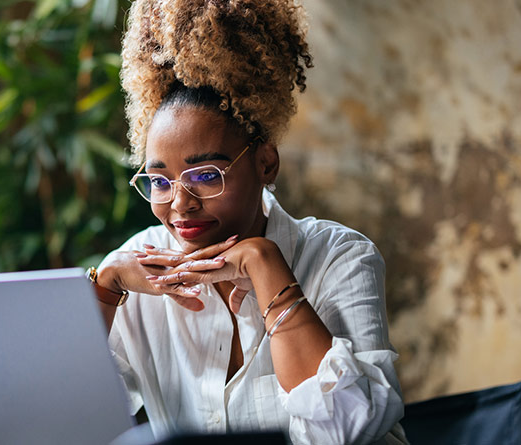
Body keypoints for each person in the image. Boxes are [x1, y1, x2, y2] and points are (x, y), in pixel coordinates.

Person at [85, 0, 408, 443]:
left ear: (265, 163)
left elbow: (350, 431)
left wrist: (264, 265)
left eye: (205, 175)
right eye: (159, 181)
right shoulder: (136, 272)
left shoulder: (339, 257)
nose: (180, 204)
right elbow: (61, 419)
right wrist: (103, 288)